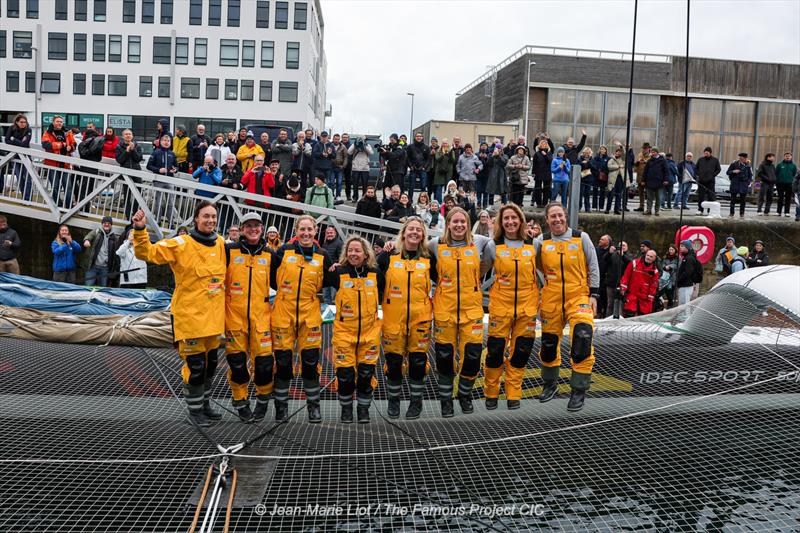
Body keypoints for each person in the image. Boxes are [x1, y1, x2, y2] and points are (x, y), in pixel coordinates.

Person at [132, 202, 226, 427]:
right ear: (196, 219)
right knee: (195, 367)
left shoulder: (221, 243)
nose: (210, 221)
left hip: (213, 319)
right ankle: (194, 411)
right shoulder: (181, 244)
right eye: (206, 216)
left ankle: (204, 404)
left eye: (213, 217)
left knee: (211, 364)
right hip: (189, 317)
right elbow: (148, 253)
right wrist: (140, 230)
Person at [270, 215, 336, 423]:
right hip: (283, 312)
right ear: (296, 231)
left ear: (316, 231)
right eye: (302, 229)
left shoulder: (323, 255)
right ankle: (281, 408)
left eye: (310, 229)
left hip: (309, 314)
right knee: (283, 363)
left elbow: (334, 279)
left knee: (310, 363)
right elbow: (271, 277)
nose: (306, 233)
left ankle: (313, 407)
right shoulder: (284, 251)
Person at [534, 203, 600, 411]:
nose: (557, 220)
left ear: (566, 217)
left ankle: (579, 390)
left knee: (582, 336)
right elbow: (531, 265)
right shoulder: (541, 241)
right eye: (552, 216)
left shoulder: (581, 238)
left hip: (578, 295)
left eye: (560, 215)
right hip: (551, 297)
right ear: (547, 220)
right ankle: (550, 383)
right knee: (548, 345)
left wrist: (594, 294)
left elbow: (593, 264)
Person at [428, 207, 491, 417]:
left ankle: (464, 394)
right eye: (455, 222)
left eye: (463, 222)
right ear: (448, 224)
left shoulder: (480, 242)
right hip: (445, 310)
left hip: (471, 310)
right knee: (445, 358)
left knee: (472, 357)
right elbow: (417, 256)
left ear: (468, 223)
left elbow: (489, 262)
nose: (459, 225)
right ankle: (446, 399)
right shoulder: (435, 245)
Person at [378, 217, 437, 419]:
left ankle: (416, 401)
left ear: (423, 235)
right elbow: (370, 276)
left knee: (418, 362)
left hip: (420, 320)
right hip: (393, 320)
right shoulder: (388, 257)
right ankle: (393, 401)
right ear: (403, 233)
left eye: (418, 230)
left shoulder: (430, 257)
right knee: (394, 362)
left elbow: (447, 280)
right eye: (410, 229)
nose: (414, 232)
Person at [482, 204, 539, 410]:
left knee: (521, 352)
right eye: (506, 218)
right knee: (495, 351)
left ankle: (514, 392)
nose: (510, 222)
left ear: (521, 220)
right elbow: (480, 269)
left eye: (514, 218)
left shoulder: (533, 244)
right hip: (500, 307)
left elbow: (548, 268)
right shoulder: (493, 245)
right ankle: (491, 392)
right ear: (500, 222)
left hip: (527, 307)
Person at [223, 212, 275, 423]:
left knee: (263, 364)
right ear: (242, 229)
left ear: (262, 229)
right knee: (237, 364)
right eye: (249, 226)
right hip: (234, 316)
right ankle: (241, 401)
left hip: (261, 317)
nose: (253, 229)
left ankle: (262, 401)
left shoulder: (271, 254)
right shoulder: (228, 250)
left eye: (257, 226)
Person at [330, 236, 384, 423]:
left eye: (357, 250)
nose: (353, 254)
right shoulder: (337, 272)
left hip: (370, 334)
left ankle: (363, 409)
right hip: (344, 333)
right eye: (350, 250)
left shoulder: (375, 273)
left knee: (365, 375)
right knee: (345, 376)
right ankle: (346, 409)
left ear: (366, 253)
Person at [41, 116, 77, 208]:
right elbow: (46, 145)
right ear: (53, 122)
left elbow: (74, 145)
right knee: (55, 187)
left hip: (65, 164)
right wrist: (62, 145)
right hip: (52, 164)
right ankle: (58, 206)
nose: (60, 123)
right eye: (57, 121)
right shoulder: (48, 132)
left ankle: (69, 207)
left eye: (61, 122)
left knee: (68, 187)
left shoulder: (67, 133)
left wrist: (71, 147)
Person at [146, 134, 178, 225]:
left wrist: (175, 169)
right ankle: (158, 221)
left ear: (170, 143)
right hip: (158, 181)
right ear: (161, 142)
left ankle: (171, 222)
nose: (166, 142)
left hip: (170, 180)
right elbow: (149, 166)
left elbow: (176, 166)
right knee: (158, 202)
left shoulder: (172, 153)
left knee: (170, 203)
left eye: (168, 141)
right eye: (164, 140)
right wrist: (158, 170)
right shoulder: (156, 152)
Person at [620, 249, 660, 317]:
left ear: (654, 258)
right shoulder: (634, 263)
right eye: (647, 255)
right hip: (632, 294)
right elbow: (626, 276)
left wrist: (650, 298)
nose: (648, 257)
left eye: (651, 257)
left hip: (644, 297)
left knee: (643, 316)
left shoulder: (655, 271)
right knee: (629, 313)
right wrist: (623, 288)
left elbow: (654, 285)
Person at [82, 216, 119, 287]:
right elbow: (88, 236)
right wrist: (86, 241)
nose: (106, 224)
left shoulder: (114, 238)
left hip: (105, 268)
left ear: (111, 225)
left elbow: (116, 254)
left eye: (108, 223)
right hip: (92, 267)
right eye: (105, 223)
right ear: (102, 224)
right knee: (88, 287)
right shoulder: (96, 232)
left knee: (103, 289)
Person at [3, 114, 33, 201]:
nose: (23, 124)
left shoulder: (28, 129)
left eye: (25, 122)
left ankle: (28, 199)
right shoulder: (12, 128)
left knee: (28, 179)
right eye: (21, 122)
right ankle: (25, 198)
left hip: (26, 157)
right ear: (17, 122)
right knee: (20, 178)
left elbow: (25, 144)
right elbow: (7, 140)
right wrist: (18, 141)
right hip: (15, 157)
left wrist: (14, 139)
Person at [604, 241, 632, 317]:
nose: (622, 247)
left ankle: (620, 317)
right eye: (620, 246)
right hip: (611, 283)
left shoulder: (629, 255)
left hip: (623, 284)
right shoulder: (613, 255)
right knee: (610, 303)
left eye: (623, 245)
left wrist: (623, 256)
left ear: (627, 247)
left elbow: (630, 264)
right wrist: (609, 253)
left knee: (621, 303)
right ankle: (608, 318)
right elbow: (605, 260)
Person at [321, 226, 343, 305]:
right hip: (326, 274)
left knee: (333, 298)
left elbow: (342, 258)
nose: (329, 234)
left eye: (331, 233)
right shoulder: (324, 245)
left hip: (335, 274)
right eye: (327, 233)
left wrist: (336, 264)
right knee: (326, 297)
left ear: (335, 233)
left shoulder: (339, 244)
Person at [405, 132, 430, 203]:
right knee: (411, 186)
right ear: (415, 137)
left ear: (422, 137)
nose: (419, 137)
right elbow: (408, 158)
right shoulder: (410, 147)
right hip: (413, 169)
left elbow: (428, 159)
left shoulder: (426, 147)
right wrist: (410, 166)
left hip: (422, 169)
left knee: (423, 186)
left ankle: (424, 201)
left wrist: (424, 167)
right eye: (417, 136)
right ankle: (409, 201)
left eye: (420, 136)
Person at [727, 152, 753, 218]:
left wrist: (748, 182)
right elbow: (728, 172)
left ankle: (742, 213)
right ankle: (731, 213)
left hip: (743, 185)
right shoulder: (734, 164)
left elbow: (750, 175)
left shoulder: (748, 166)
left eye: (744, 158)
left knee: (743, 201)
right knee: (733, 200)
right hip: (735, 184)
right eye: (741, 158)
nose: (743, 159)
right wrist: (733, 171)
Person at [696, 147, 721, 215]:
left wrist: (713, 175)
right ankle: (700, 210)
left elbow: (718, 169)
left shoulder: (715, 160)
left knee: (711, 196)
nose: (706, 154)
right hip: (701, 181)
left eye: (707, 153)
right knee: (701, 196)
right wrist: (699, 174)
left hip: (710, 181)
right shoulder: (700, 160)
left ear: (710, 153)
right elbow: (696, 168)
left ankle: (710, 211)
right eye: (705, 153)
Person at [347, 137, 373, 202]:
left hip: (365, 168)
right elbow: (349, 152)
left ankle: (364, 197)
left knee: (365, 184)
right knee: (355, 184)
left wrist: (364, 146)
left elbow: (371, 153)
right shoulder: (354, 145)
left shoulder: (367, 145)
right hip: (356, 168)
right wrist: (355, 144)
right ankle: (355, 197)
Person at [676, 240, 701, 306]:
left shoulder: (689, 258)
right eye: (680, 246)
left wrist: (678, 280)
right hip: (683, 285)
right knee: (682, 305)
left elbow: (687, 272)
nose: (680, 247)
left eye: (682, 246)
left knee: (684, 306)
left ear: (687, 247)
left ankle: (685, 316)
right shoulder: (686, 257)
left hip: (686, 286)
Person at [775, 152, 797, 218]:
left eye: (789, 156)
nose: (787, 157)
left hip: (789, 184)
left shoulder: (793, 166)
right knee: (780, 198)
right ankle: (778, 212)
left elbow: (794, 174)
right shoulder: (779, 165)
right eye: (786, 156)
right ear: (784, 157)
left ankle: (787, 212)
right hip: (780, 184)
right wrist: (777, 181)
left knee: (788, 198)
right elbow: (776, 173)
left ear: (791, 157)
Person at [605, 146, 626, 215]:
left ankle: (616, 209)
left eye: (619, 152)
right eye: (617, 152)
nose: (618, 153)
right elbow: (609, 167)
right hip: (612, 179)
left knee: (618, 195)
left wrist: (621, 146)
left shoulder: (622, 160)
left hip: (619, 179)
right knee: (610, 194)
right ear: (615, 153)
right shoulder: (611, 160)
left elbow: (625, 154)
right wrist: (618, 167)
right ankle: (607, 209)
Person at [658, 244, 679, 309]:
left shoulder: (677, 258)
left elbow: (676, 265)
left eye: (672, 250)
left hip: (672, 280)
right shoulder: (665, 257)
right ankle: (659, 306)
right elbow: (662, 264)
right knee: (659, 293)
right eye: (670, 249)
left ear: (675, 250)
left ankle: (670, 308)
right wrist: (665, 267)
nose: (670, 251)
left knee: (670, 296)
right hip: (664, 279)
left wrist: (670, 266)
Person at [632, 143, 652, 212]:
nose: (645, 149)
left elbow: (652, 165)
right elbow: (636, 165)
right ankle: (641, 206)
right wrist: (637, 162)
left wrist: (646, 162)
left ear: (649, 148)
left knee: (649, 193)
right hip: (640, 176)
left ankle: (649, 208)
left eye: (646, 148)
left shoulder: (651, 155)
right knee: (640, 193)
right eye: (644, 148)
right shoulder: (640, 154)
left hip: (647, 177)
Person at [591, 146, 610, 212]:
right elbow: (592, 166)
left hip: (603, 177)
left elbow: (608, 167)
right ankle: (594, 206)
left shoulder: (608, 158)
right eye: (601, 149)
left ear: (605, 151)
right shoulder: (596, 158)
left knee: (602, 192)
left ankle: (601, 206)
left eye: (603, 149)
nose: (602, 150)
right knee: (595, 192)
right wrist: (596, 172)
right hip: (596, 177)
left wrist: (604, 172)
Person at [330, 133, 348, 201]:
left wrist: (343, 166)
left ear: (339, 139)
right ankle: (331, 195)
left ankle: (338, 195)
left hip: (339, 168)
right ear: (333, 139)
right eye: (335, 139)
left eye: (338, 139)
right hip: (331, 167)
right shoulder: (330, 145)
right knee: (331, 182)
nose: (336, 140)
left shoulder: (343, 147)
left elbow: (346, 157)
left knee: (339, 182)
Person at [577, 147, 594, 213]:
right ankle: (579, 207)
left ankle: (587, 208)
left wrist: (588, 162)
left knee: (587, 194)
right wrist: (582, 163)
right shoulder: (579, 159)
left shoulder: (591, 159)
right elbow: (577, 166)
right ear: (583, 153)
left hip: (589, 179)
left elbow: (593, 167)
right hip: (581, 178)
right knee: (580, 194)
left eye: (588, 153)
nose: (586, 154)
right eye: (585, 153)